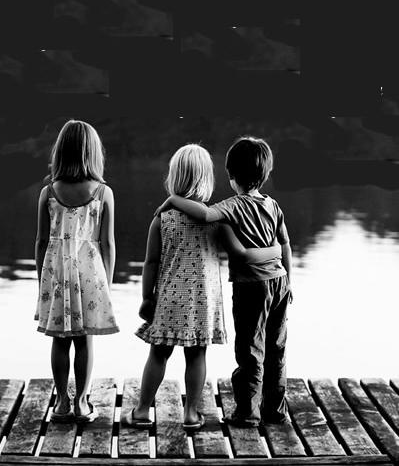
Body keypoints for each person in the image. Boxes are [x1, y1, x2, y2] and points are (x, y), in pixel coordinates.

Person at [121, 144, 280, 430]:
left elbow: (150, 263)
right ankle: (191, 414)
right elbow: (238, 252)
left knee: (159, 353)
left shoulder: (162, 218)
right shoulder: (217, 220)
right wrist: (274, 254)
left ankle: (143, 411)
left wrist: (147, 297)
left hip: (169, 299)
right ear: (207, 179)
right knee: (196, 355)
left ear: (174, 177)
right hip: (202, 302)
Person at [35, 119, 119, 423]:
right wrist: (106, 285)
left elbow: (42, 242)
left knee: (59, 338)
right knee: (85, 339)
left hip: (56, 274)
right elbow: (107, 244)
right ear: (93, 153)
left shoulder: (49, 192)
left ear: (61, 152)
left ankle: (60, 402)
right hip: (90, 276)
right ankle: (82, 403)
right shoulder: (103, 193)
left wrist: (40, 279)